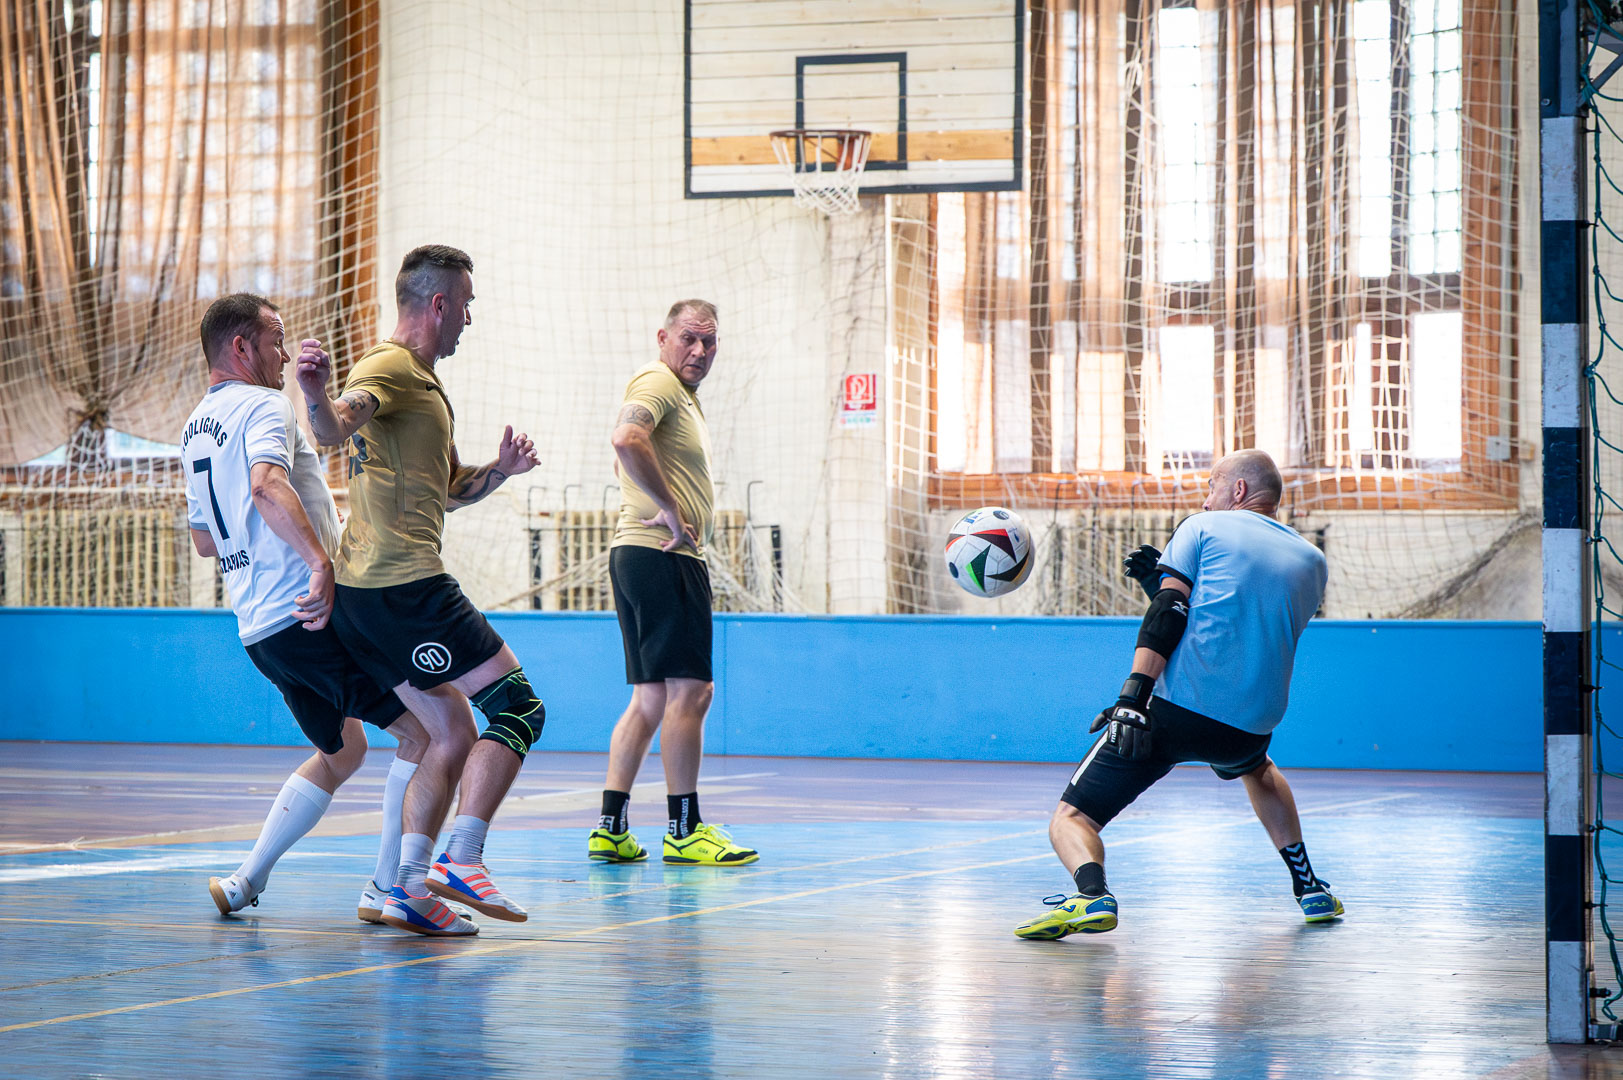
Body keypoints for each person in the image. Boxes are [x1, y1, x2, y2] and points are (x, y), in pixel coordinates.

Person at [298, 245, 543, 937]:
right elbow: (333, 425)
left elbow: (447, 490)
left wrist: (499, 470)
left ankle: (407, 888)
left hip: (368, 595)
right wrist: (314, 392)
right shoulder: (391, 368)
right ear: (439, 304)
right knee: (518, 709)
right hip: (404, 588)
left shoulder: (423, 386)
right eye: (465, 304)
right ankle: (462, 858)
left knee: (450, 731)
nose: (468, 317)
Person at [1014, 449, 1341, 940]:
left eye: (1212, 486)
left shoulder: (1201, 527)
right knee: (1259, 771)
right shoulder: (1312, 562)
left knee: (1071, 818)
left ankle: (1091, 894)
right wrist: (1157, 584)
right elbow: (1235, 621)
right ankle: (1309, 888)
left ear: (1238, 490)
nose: (1205, 499)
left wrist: (1132, 698)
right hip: (1248, 727)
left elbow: (1170, 610)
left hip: (1173, 712)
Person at [183, 292, 433, 922]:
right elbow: (267, 483)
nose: (287, 354)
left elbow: (205, 540)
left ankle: (245, 880)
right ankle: (389, 889)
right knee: (428, 733)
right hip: (307, 610)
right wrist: (321, 561)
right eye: (277, 340)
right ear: (242, 347)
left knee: (344, 750)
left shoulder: (194, 428)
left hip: (258, 628)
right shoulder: (265, 404)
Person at [586, 300, 757, 867]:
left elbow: (626, 456)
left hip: (638, 555)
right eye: (689, 338)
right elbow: (626, 439)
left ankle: (611, 827)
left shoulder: (681, 397)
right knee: (693, 692)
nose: (700, 351)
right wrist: (672, 508)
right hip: (663, 554)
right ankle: (685, 830)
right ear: (663, 337)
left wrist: (653, 494)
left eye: (710, 341)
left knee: (652, 697)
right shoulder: (658, 381)